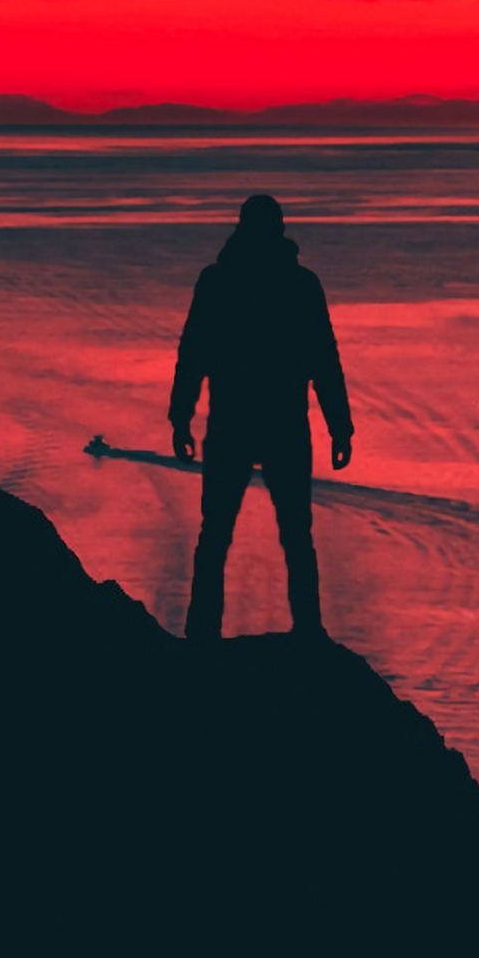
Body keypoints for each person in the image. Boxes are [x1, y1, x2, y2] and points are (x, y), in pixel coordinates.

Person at [167, 193, 353, 638]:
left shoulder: (218, 282)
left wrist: (180, 417)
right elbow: (323, 359)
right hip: (280, 423)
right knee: (290, 536)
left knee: (220, 535)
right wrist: (339, 427)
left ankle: (204, 634)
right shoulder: (299, 284)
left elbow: (193, 353)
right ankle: (306, 632)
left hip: (236, 421)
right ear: (280, 231)